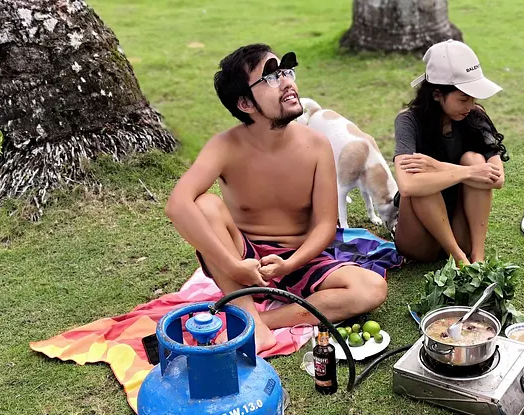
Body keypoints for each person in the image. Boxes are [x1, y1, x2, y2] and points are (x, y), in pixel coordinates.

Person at [165, 44, 388, 351]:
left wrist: (290, 263)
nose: (287, 82)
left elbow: (325, 224)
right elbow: (177, 204)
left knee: (371, 288)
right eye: (271, 77)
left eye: (286, 72)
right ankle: (247, 314)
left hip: (298, 258)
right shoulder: (224, 147)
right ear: (245, 103)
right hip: (243, 258)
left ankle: (259, 321)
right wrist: (233, 266)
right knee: (204, 204)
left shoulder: (316, 145)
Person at [392, 40, 509, 266]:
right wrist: (467, 173)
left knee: (472, 158)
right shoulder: (408, 120)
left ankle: (477, 256)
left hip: (458, 225)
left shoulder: (475, 115)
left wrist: (443, 167)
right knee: (421, 181)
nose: (470, 105)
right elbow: (407, 186)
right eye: (463, 99)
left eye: (474, 98)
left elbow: (497, 178)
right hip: (419, 238)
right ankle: (460, 260)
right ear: (437, 94)